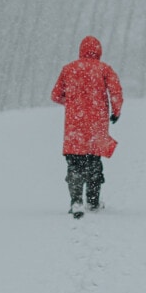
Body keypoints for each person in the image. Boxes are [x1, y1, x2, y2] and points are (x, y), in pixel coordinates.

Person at [50, 35, 123, 218]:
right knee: (93, 162)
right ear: (99, 51)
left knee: (74, 162)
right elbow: (115, 91)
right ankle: (93, 201)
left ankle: (76, 201)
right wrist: (116, 111)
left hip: (74, 125)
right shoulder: (104, 69)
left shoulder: (69, 69)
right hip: (96, 124)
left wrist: (74, 103)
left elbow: (56, 95)